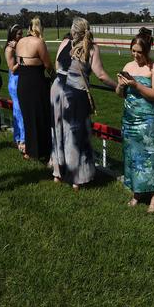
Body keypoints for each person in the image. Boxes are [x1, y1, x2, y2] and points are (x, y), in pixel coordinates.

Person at [51, 17, 117, 190]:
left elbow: (57, 64)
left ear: (73, 31)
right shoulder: (93, 48)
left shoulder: (64, 42)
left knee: (58, 131)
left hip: (57, 90)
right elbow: (101, 74)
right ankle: (76, 179)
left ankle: (58, 173)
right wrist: (117, 87)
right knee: (76, 135)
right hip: (75, 93)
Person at [115, 27, 154, 212]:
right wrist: (121, 86)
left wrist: (136, 85)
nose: (136, 55)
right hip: (129, 120)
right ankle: (137, 192)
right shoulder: (128, 66)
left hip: (148, 121)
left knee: (152, 159)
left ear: (147, 51)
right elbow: (120, 94)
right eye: (133, 51)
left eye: (139, 52)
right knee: (133, 158)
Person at [15, 16, 55, 160]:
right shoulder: (39, 42)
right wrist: (55, 76)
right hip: (35, 83)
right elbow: (48, 65)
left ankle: (29, 150)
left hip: (22, 82)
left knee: (28, 118)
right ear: (40, 27)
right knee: (40, 117)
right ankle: (41, 151)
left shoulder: (20, 41)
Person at [4, 24, 25, 154]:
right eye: (19, 34)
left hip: (19, 81)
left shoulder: (17, 46)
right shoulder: (10, 49)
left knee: (19, 111)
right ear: (12, 35)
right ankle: (22, 140)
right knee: (19, 112)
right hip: (15, 81)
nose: (21, 36)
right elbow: (12, 68)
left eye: (22, 34)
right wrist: (23, 61)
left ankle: (18, 138)